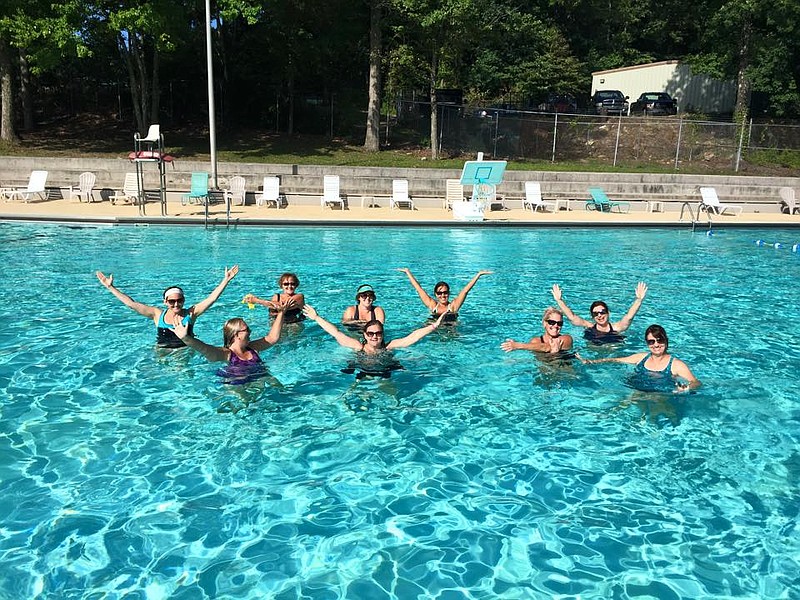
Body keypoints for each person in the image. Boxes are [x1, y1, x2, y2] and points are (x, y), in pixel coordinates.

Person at [96, 266, 239, 349]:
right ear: (165, 302)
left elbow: (211, 299)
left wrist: (225, 280)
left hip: (184, 351)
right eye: (172, 302)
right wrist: (110, 287)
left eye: (179, 300)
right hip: (163, 352)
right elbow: (131, 304)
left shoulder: (191, 314)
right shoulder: (157, 314)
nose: (176, 304)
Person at [303, 305, 445, 378]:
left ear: (382, 334)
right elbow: (335, 332)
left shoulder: (389, 346)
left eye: (378, 333)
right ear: (365, 335)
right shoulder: (358, 346)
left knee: (393, 399)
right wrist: (316, 317)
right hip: (361, 372)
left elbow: (412, 337)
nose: (374, 336)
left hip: (385, 372)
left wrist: (433, 326)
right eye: (370, 333)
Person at [172, 304, 286, 385]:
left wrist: (281, 313)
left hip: (259, 380)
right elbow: (204, 348)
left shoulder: (252, 347)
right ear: (236, 335)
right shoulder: (226, 354)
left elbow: (272, 338)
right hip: (237, 386)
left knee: (280, 389)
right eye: (246, 329)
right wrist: (185, 338)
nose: (250, 331)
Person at [579, 324, 700, 393]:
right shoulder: (642, 357)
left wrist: (685, 389)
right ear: (647, 343)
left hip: (660, 397)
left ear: (666, 341)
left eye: (660, 340)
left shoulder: (676, 365)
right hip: (636, 391)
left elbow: (696, 383)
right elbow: (616, 360)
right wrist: (591, 362)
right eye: (651, 341)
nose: (656, 345)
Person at [551, 282, 648, 344]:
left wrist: (639, 300)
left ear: (608, 313)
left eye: (602, 312)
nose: (599, 315)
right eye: (595, 313)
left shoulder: (617, 328)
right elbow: (572, 317)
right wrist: (559, 300)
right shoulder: (588, 326)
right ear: (592, 316)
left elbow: (629, 317)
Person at [398, 268, 492, 323]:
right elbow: (419, 289)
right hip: (435, 331)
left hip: (451, 332)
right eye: (439, 293)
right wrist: (408, 272)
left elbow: (465, 291)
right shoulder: (433, 305)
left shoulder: (453, 306)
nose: (443, 295)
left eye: (445, 292)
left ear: (449, 293)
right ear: (435, 294)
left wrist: (478, 275)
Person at [501, 307, 574, 355]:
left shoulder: (566, 339)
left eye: (559, 323)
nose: (556, 326)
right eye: (552, 322)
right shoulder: (535, 341)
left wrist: (518, 345)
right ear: (544, 323)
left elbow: (546, 347)